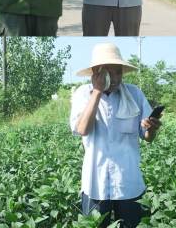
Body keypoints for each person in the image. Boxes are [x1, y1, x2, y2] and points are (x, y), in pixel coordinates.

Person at [69, 43, 162, 227]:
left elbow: (147, 137)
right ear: (97, 72)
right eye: (109, 72)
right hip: (95, 183)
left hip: (128, 182)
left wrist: (151, 128)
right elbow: (82, 129)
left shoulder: (134, 94)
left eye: (118, 72)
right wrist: (97, 91)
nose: (116, 78)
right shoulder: (83, 94)